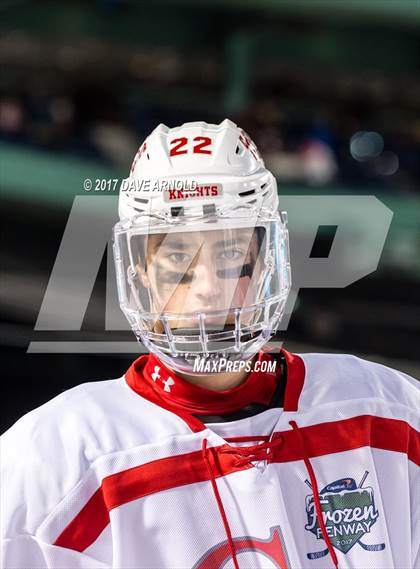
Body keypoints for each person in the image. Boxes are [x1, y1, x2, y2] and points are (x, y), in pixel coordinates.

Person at [1, 119, 418, 569]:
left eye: (230, 253)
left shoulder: (386, 412)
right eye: (179, 255)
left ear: (264, 262)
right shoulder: (58, 456)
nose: (206, 288)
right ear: (141, 271)